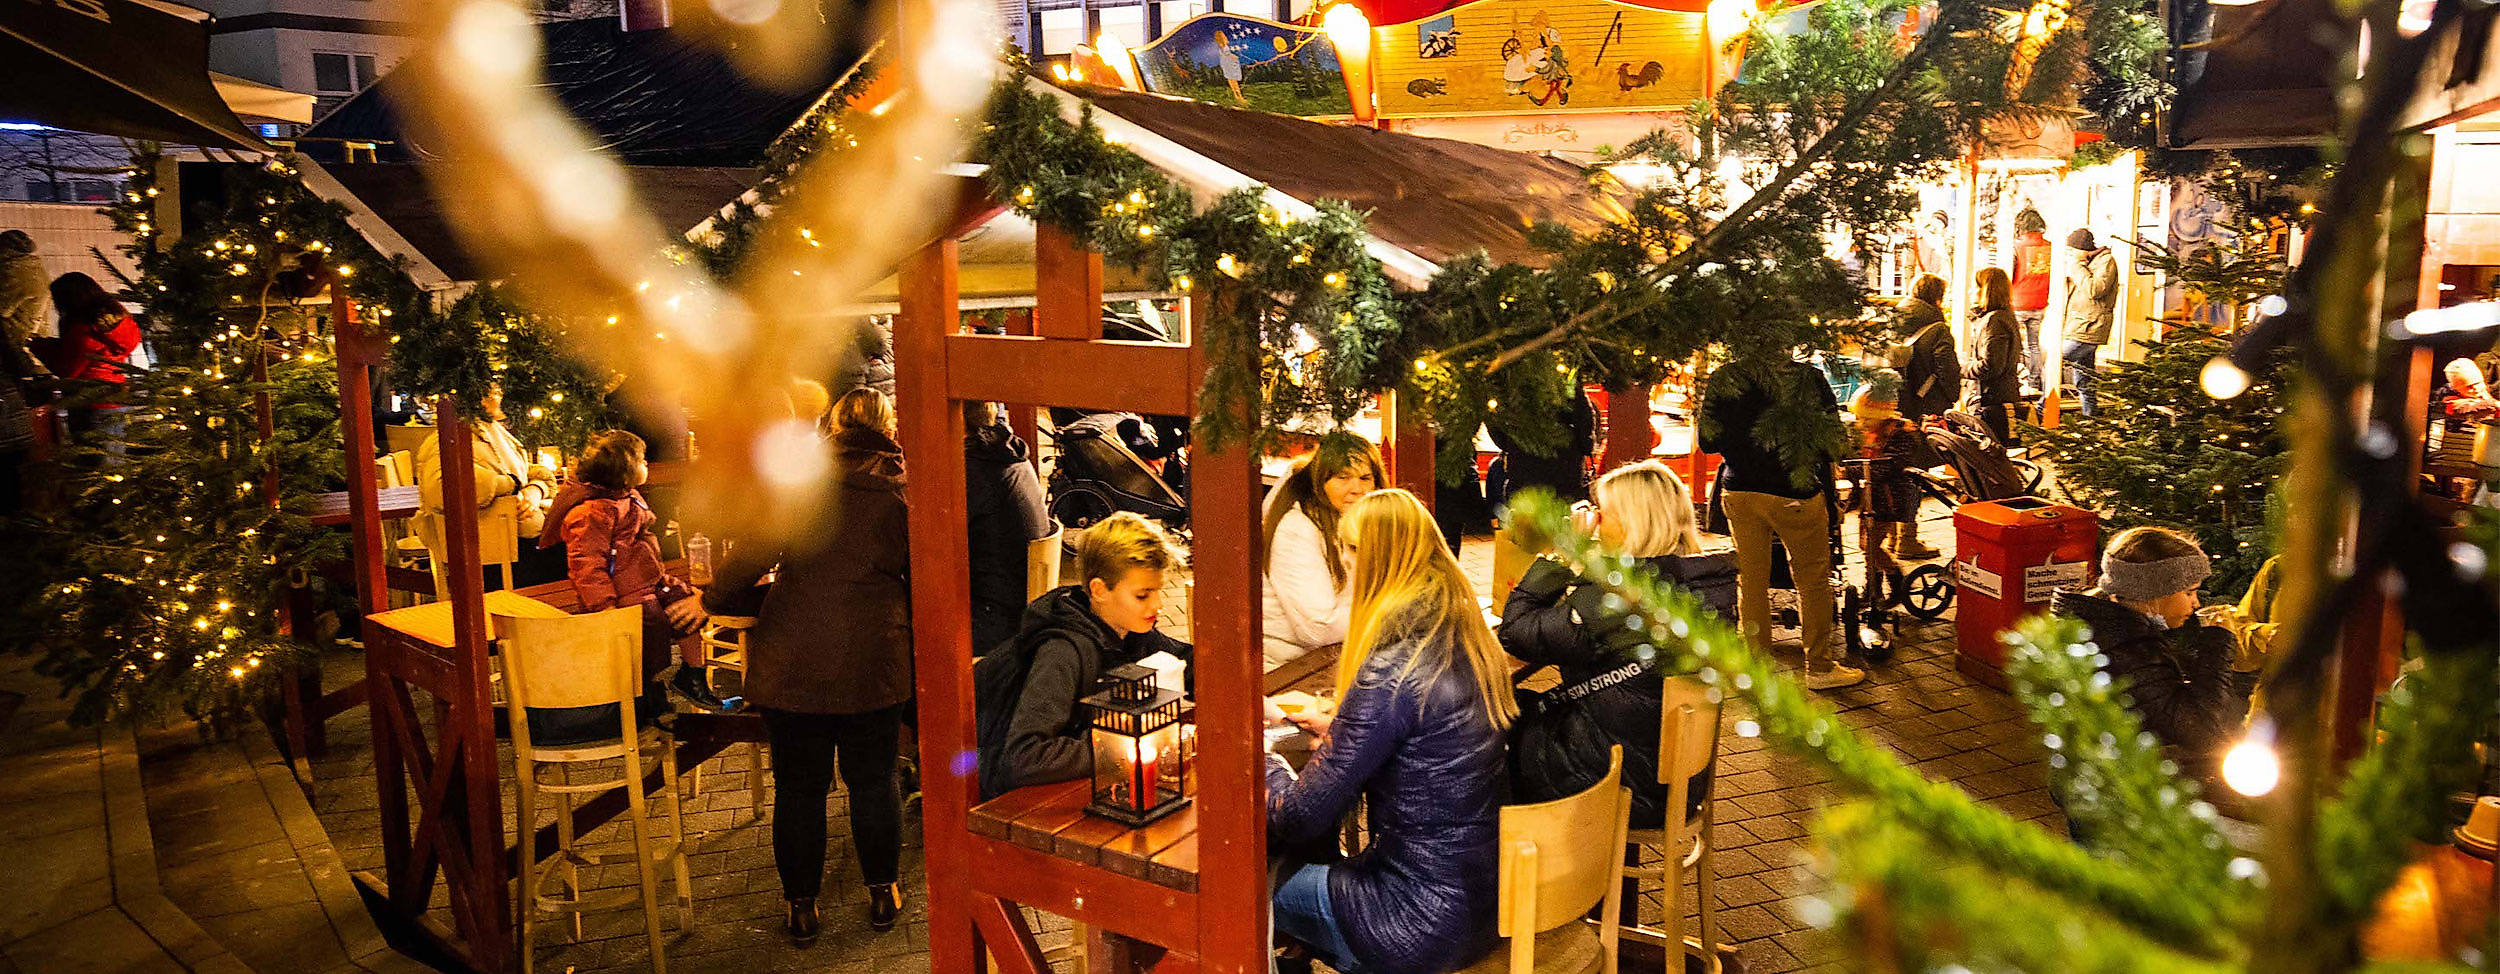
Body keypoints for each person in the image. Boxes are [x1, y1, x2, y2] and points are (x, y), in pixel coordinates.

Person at [1267, 489, 1512, 974]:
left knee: (1241, 886)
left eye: (1351, 550)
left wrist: (1264, 761)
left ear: (1379, 561)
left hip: (1414, 920)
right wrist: (1343, 729)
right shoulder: (1465, 638)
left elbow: (1298, 817)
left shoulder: (1392, 670)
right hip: (1484, 902)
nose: (1344, 562)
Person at [702, 387, 913, 943]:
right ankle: (883, 894)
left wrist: (714, 600)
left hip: (792, 659)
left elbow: (744, 561)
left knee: (799, 789)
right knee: (873, 779)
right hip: (873, 659)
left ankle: (802, 906)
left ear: (832, 425)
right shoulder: (904, 488)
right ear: (887, 427)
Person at [1499, 460, 1735, 828]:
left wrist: (1561, 554)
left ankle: (1535, 870)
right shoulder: (1707, 584)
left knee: (1485, 727)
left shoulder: (1615, 599)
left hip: (1620, 780)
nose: (1594, 522)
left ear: (1632, 523)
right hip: (1678, 779)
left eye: (1602, 514)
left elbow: (1515, 631)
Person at [977, 511, 1192, 798]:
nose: (1159, 604)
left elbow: (1187, 664)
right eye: (1143, 595)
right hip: (1014, 800)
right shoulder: (1063, 652)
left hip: (1082, 787)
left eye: (1159, 591)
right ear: (1099, 590)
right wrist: (1123, 746)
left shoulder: (1130, 631)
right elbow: (1024, 757)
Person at [531, 431, 717, 739]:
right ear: (624, 470)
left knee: (685, 601)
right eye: (642, 460)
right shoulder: (590, 512)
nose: (647, 464)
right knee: (650, 626)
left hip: (650, 579)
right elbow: (586, 564)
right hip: (623, 595)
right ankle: (650, 694)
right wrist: (604, 605)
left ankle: (692, 674)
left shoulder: (626, 496)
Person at [1698, 359, 1861, 689]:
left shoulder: (1725, 377)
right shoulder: (1808, 378)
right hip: (1794, 490)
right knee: (1813, 579)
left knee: (1752, 581)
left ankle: (1756, 668)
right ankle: (1818, 668)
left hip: (1740, 489)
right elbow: (1834, 442)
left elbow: (1707, 441)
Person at [2048, 527, 2251, 783]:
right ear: (2153, 593)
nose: (2196, 603)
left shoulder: (2105, 627)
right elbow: (2201, 730)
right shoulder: (2124, 648)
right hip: (2120, 796)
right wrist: (2218, 642)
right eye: (2189, 592)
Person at [1261, 433, 1385, 669]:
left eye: (1365, 478)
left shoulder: (1354, 519)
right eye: (1343, 478)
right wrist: (1388, 611)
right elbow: (1319, 628)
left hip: (1335, 655)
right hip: (1289, 666)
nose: (1357, 489)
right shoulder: (1297, 529)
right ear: (1320, 481)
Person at [414, 385, 554, 588]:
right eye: (495, 392)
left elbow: (526, 472)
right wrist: (509, 484)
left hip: (517, 545)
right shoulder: (450, 437)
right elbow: (441, 489)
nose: (501, 397)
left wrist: (536, 489)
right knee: (583, 554)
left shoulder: (492, 434)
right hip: (491, 560)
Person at [964, 400, 1052, 655]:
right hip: (1023, 602)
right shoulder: (1009, 454)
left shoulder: (974, 468)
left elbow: (931, 543)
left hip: (993, 616)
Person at [1848, 375, 1927, 595]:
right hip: (1869, 498)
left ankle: (1893, 576)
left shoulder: (1899, 435)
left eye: (1865, 419)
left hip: (1888, 499)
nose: (1861, 424)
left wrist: (1853, 470)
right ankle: (1873, 586)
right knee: (1866, 544)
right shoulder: (1869, 434)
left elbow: (1885, 468)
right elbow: (1857, 464)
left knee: (1870, 546)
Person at [48, 272, 139, 439]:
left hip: (90, 402)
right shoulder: (118, 322)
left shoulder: (81, 329)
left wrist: (40, 347)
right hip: (118, 396)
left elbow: (68, 369)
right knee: (114, 458)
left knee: (92, 460)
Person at [1488, 384, 1597, 503]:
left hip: (1522, 475)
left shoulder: (1510, 380)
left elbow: (1495, 424)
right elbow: (1584, 425)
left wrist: (1514, 443)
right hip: (1565, 474)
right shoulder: (1565, 380)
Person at [2062, 228, 2119, 417]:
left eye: (2071, 251)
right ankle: (2091, 416)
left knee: (2056, 362)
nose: (2069, 255)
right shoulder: (2088, 263)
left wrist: (2077, 268)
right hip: (2080, 324)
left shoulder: (2106, 262)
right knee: (2084, 375)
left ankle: (2040, 408)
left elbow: (2095, 289)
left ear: (2082, 249)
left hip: (2090, 327)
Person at [1965, 266, 2024, 446]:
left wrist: (1963, 368)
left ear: (1986, 290)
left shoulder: (1994, 321)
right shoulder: (2001, 317)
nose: (1970, 291)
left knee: (1990, 455)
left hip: (1992, 401)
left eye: (1975, 286)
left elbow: (1991, 365)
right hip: (1995, 398)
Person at [1894, 273, 1960, 423]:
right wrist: (1953, 395)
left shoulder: (1893, 321)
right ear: (1938, 297)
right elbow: (1947, 369)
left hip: (1893, 403)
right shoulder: (1938, 329)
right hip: (1928, 404)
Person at [2008, 207, 2054, 392]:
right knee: (2034, 344)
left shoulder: (2017, 246)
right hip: (2040, 302)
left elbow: (2009, 274)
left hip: (2018, 302)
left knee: (2015, 345)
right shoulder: (2050, 247)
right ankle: (2035, 381)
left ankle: (2018, 380)